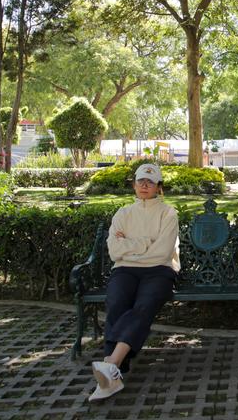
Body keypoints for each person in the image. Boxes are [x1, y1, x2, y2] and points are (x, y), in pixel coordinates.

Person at [88, 163, 180, 402]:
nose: (145, 185)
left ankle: (111, 364)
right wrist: (144, 243)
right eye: (141, 181)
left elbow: (162, 253)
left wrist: (131, 246)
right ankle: (115, 372)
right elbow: (114, 251)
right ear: (134, 184)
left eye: (150, 182)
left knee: (144, 306)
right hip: (125, 270)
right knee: (117, 301)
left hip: (159, 271)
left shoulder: (168, 213)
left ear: (159, 187)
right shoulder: (123, 214)